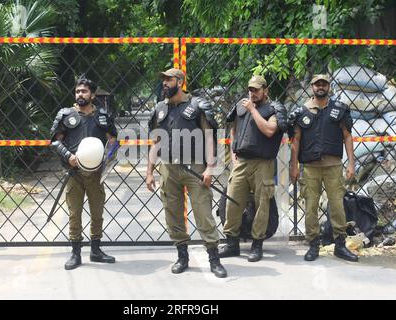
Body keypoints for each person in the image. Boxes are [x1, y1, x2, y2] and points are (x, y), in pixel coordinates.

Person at [146, 68, 227, 278]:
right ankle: (182, 256)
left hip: (195, 168)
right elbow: (156, 141)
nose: (164, 83)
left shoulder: (197, 105)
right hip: (168, 168)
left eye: (168, 79)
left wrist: (210, 167)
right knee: (172, 212)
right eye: (163, 79)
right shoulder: (160, 109)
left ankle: (214, 258)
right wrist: (149, 172)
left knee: (203, 212)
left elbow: (209, 137)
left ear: (180, 82)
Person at [289, 74, 358, 262]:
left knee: (337, 206)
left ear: (329, 87)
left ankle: (340, 245)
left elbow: (347, 136)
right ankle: (313, 245)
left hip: (333, 166)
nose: (321, 87)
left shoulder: (339, 109)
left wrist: (351, 163)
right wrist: (293, 166)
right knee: (311, 206)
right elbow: (295, 140)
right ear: (312, 87)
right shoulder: (302, 111)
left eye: (324, 84)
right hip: (310, 168)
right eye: (317, 84)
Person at [50, 77, 117, 270]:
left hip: (96, 174)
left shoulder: (102, 116)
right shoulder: (65, 114)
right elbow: (55, 141)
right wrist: (68, 156)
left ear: (92, 95)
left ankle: (96, 250)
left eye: (84, 91)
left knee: (97, 213)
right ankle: (75, 253)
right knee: (74, 213)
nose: (80, 94)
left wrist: (106, 159)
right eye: (78, 91)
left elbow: (112, 140)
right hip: (74, 173)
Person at [219, 75, 287, 262]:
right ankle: (232, 243)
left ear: (266, 90)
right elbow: (234, 129)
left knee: (261, 205)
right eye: (251, 89)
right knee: (233, 201)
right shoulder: (241, 107)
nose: (253, 93)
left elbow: (269, 130)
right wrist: (234, 153)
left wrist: (252, 110)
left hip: (263, 164)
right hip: (241, 162)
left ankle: (257, 245)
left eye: (257, 89)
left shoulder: (273, 109)